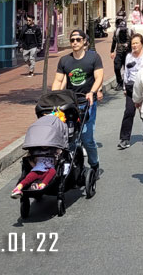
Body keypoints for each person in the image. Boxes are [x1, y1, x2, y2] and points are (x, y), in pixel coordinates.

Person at [52, 30, 103, 177]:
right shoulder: (64, 61)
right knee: (70, 138)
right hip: (70, 105)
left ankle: (94, 164)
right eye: (72, 40)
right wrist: (54, 96)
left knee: (87, 137)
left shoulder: (93, 57)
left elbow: (99, 77)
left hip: (87, 103)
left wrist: (92, 92)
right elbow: (58, 80)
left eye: (78, 39)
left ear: (84, 42)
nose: (75, 42)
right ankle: (74, 166)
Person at [118, 33, 143, 149]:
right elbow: (126, 72)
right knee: (129, 112)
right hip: (131, 87)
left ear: (142, 44)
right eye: (133, 43)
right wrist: (125, 87)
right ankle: (124, 139)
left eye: (137, 43)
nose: (134, 45)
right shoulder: (129, 56)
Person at [110, 18, 131, 90]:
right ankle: (119, 82)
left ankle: (127, 82)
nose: (122, 30)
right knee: (116, 67)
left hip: (128, 53)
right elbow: (114, 41)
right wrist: (112, 51)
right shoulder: (116, 32)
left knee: (127, 68)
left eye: (124, 29)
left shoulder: (130, 32)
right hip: (119, 52)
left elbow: (134, 41)